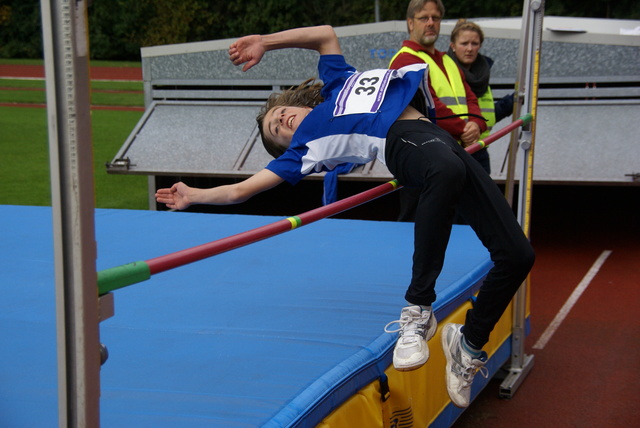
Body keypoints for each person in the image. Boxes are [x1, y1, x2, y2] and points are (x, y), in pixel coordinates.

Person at [155, 25, 535, 409]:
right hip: (400, 143)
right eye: (276, 130)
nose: (283, 121)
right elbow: (241, 190)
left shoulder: (337, 82)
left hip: (438, 141)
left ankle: (467, 343)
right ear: (285, 146)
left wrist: (264, 43)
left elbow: (324, 34)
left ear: (296, 103)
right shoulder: (305, 148)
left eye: (281, 113)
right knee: (445, 173)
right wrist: (195, 195)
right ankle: (417, 309)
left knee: (518, 255)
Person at [388, 0, 489, 221]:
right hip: (426, 159)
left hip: (455, 152)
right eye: (424, 18)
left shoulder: (446, 60)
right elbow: (430, 105)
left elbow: (470, 97)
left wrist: (477, 124)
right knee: (420, 229)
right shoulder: (405, 60)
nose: (431, 23)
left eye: (436, 18)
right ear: (410, 23)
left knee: (459, 226)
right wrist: (465, 127)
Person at [447, 18, 515, 168]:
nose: (469, 49)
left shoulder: (482, 75)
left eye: (474, 44)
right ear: (453, 46)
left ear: (480, 46)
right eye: (464, 43)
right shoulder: (444, 71)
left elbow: (488, 113)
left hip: (480, 148)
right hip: (452, 149)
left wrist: (512, 102)